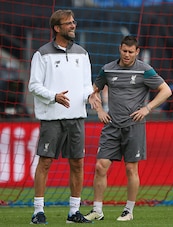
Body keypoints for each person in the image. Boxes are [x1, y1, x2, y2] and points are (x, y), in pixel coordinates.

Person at [85, 36, 172, 221]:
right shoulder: (107, 69)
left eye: (131, 52)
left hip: (134, 126)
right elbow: (92, 91)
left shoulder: (145, 70)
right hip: (111, 125)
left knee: (131, 169)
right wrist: (99, 109)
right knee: (100, 167)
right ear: (120, 49)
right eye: (124, 51)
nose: (127, 55)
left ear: (137, 52)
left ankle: (128, 210)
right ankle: (97, 210)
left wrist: (147, 108)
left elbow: (166, 90)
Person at [28, 10, 93, 224]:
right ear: (57, 28)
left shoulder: (83, 54)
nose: (73, 26)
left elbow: (85, 86)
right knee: (45, 162)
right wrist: (53, 97)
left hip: (77, 118)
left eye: (74, 22)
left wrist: (91, 96)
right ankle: (38, 211)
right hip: (52, 118)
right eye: (68, 23)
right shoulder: (42, 54)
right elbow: (34, 85)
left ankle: (74, 212)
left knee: (77, 164)